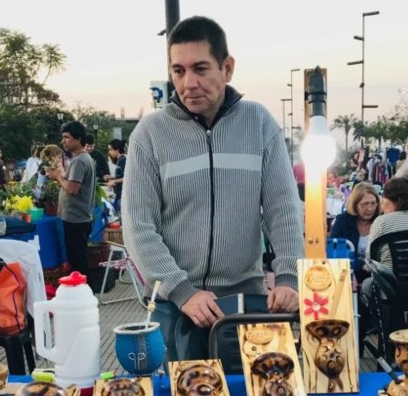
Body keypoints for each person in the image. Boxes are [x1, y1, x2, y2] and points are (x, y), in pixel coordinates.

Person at [122, 15, 303, 361]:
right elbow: (138, 226)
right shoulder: (150, 134)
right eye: (178, 71)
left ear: (227, 68)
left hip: (244, 305)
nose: (188, 83)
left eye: (200, 69)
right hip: (175, 308)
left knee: (252, 393)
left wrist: (288, 277)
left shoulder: (259, 124)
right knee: (182, 394)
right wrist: (183, 291)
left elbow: (283, 209)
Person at [45, 121, 95, 277]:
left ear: (78, 139)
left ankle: (85, 289)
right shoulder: (81, 159)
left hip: (75, 219)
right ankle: (85, 288)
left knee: (78, 262)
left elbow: (73, 189)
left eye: (66, 137)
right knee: (78, 259)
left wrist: (57, 177)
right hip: (77, 218)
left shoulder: (79, 161)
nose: (63, 141)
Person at [328, 182, 379, 283]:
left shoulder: (381, 220)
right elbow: (335, 253)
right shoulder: (342, 221)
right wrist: (361, 266)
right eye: (365, 204)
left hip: (376, 278)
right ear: (355, 204)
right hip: (348, 276)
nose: (370, 208)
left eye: (373, 203)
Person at [106, 139, 127, 212]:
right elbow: (121, 175)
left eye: (110, 149)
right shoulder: (119, 160)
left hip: (122, 194)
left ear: (117, 150)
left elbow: (127, 177)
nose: (109, 152)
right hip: (118, 193)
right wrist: (112, 177)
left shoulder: (122, 160)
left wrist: (114, 181)